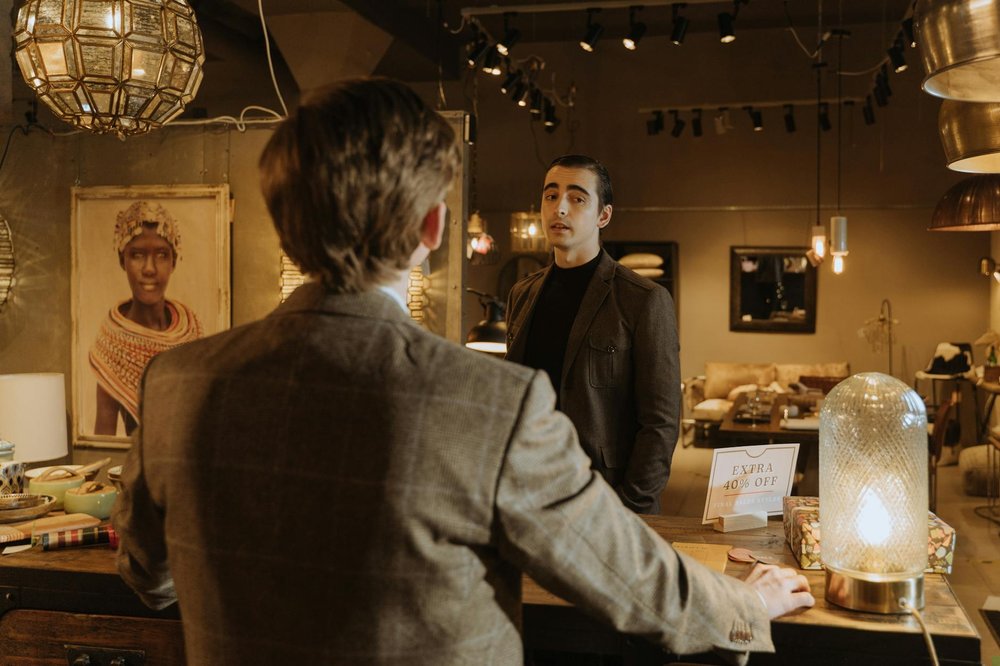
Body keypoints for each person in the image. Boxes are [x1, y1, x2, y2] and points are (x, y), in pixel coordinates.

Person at [113, 78, 813, 665]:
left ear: (282, 217)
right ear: (432, 228)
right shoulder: (492, 405)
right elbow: (634, 583)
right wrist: (745, 604)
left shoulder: (175, 382)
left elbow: (149, 576)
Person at [505, 155, 679, 514]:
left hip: (606, 498)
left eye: (577, 198)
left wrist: (631, 507)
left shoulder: (643, 299)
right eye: (551, 196)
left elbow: (660, 422)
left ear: (603, 215)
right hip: (528, 490)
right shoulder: (522, 293)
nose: (560, 208)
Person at [89, 201, 202, 436]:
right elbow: (103, 442)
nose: (149, 268)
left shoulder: (192, 333)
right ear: (122, 260)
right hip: (140, 459)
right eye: (137, 255)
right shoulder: (113, 348)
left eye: (161, 255)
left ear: (173, 261)